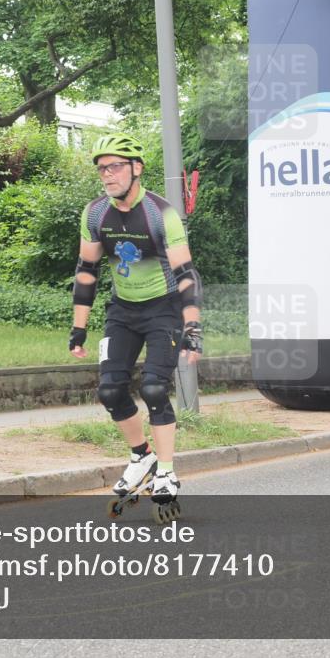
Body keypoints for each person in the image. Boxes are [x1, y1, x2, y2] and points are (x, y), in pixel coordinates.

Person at [69, 132, 203, 507]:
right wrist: (79, 328)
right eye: (101, 169)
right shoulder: (96, 213)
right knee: (110, 391)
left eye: (115, 167)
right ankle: (140, 455)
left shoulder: (162, 214)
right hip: (122, 311)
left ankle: (166, 470)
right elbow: (86, 271)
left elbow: (186, 274)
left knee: (155, 389)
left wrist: (192, 326)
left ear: (137, 169)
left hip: (164, 309)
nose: (107, 175)